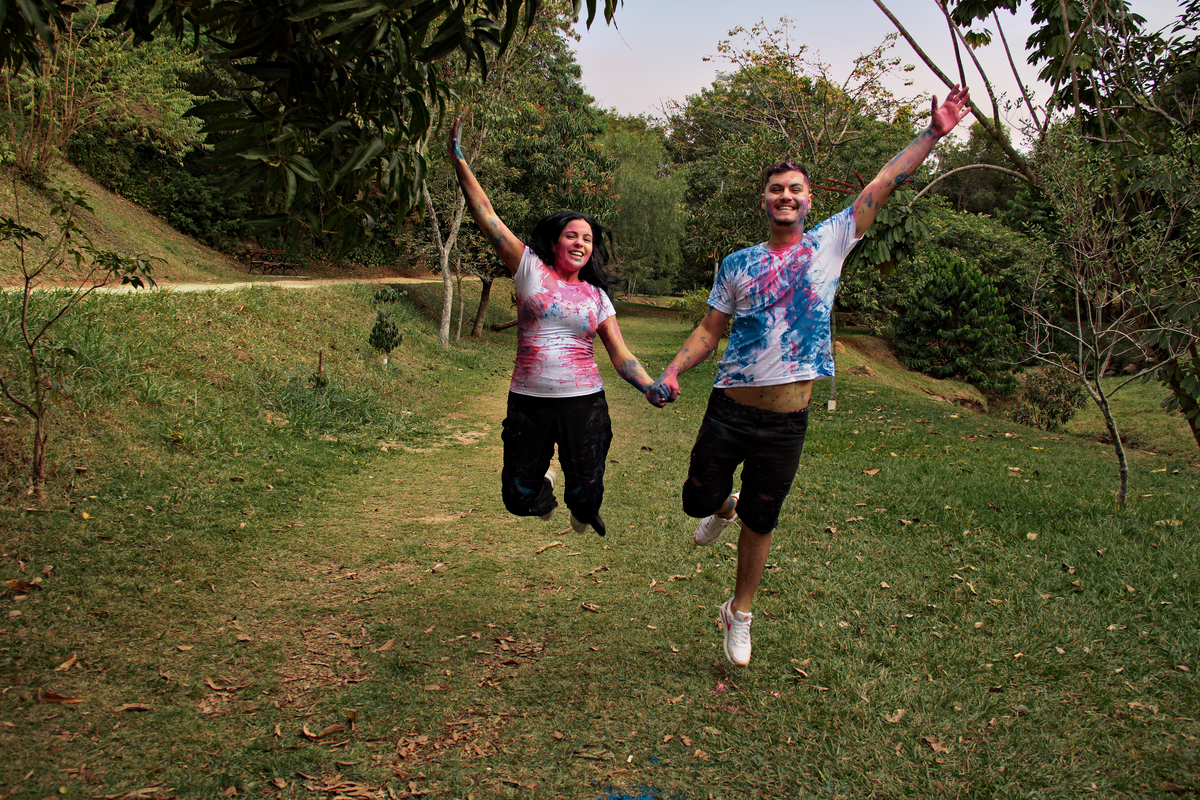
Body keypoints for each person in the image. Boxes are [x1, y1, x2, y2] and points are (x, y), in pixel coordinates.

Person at [649, 88, 972, 666]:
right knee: (696, 497)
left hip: (788, 419)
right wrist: (674, 369)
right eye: (777, 189)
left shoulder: (831, 242)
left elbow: (882, 184)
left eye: (796, 189)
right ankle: (722, 508)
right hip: (730, 407)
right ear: (764, 201)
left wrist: (933, 134)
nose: (786, 196)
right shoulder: (738, 263)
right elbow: (709, 329)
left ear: (808, 199)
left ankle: (739, 612)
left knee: (764, 516)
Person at [448, 116, 657, 537]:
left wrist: (649, 385)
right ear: (556, 241)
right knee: (518, 495)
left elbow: (620, 355)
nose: (581, 243)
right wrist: (459, 161)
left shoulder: (597, 297)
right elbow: (484, 214)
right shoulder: (529, 269)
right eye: (572, 235)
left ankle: (581, 506)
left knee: (587, 497)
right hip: (529, 401)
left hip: (585, 402)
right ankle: (543, 489)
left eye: (588, 239)